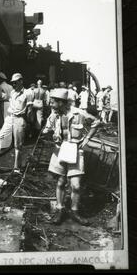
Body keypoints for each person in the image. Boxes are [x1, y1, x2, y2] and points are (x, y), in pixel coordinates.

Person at [42, 88, 101, 226]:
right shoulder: (53, 116)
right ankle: (60, 210)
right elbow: (46, 131)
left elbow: (97, 122)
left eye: (53, 102)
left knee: (76, 185)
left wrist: (86, 139)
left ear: (61, 102)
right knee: (61, 182)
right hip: (60, 150)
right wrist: (48, 133)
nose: (50, 104)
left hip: (75, 150)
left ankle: (74, 212)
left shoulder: (78, 113)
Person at [0, 73, 31, 173]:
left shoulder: (28, 93)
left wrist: (27, 123)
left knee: (18, 145)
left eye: (15, 83)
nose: (14, 85)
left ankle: (17, 168)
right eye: (13, 83)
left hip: (20, 119)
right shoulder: (12, 92)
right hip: (10, 117)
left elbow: (29, 110)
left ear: (21, 81)